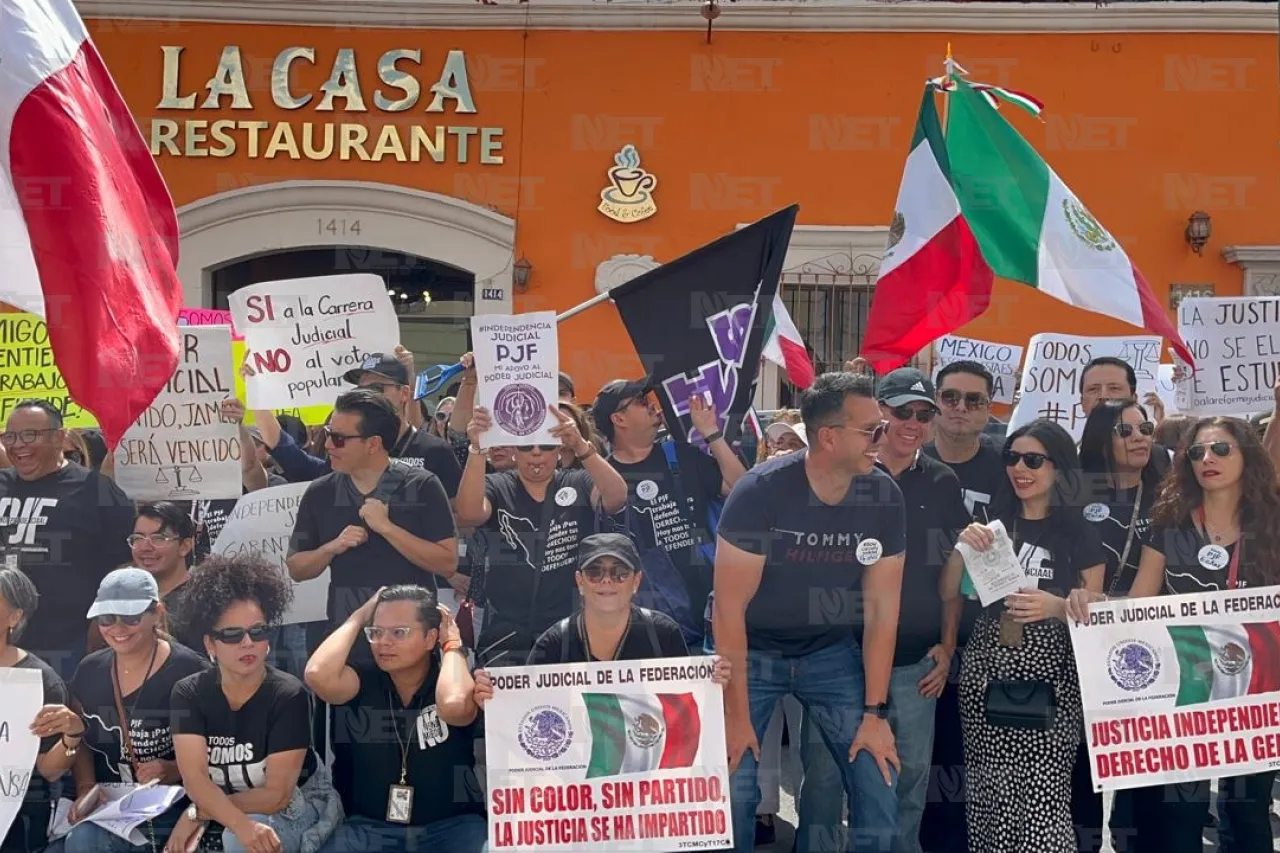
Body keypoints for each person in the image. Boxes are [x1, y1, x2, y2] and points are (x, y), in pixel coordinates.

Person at [1068, 416, 1280, 852]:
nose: (1208, 459)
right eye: (1198, 452)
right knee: (1180, 818)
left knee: (1248, 814)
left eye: (1221, 449)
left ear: (1247, 457)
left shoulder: (1273, 525)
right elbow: (1139, 605)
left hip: (1257, 693)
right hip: (1185, 692)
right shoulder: (1169, 524)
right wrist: (1087, 607)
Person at [715, 372, 904, 853]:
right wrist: (736, 717)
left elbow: (883, 612)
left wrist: (875, 713)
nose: (884, 438)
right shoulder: (761, 491)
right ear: (828, 436)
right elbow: (730, 608)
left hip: (829, 652)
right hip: (751, 652)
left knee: (877, 773)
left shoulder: (883, 496)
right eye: (871, 430)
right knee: (733, 784)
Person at [941, 419, 1104, 853]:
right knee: (989, 799)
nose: (1020, 468)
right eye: (1012, 458)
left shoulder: (1079, 533)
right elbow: (950, 592)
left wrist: (1054, 606)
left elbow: (1100, 611)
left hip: (1054, 679)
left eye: (1033, 459)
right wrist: (961, 549)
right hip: (985, 673)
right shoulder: (991, 529)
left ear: (1058, 468)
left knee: (1042, 800)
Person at [168, 555, 340, 853]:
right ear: (210, 644)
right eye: (232, 635)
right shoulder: (189, 693)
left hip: (295, 806)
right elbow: (195, 779)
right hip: (231, 810)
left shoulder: (289, 694)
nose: (247, 643)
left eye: (257, 631)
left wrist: (199, 812)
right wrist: (223, 815)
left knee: (239, 840)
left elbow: (277, 796)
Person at [307, 586, 486, 853]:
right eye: (376, 632)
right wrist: (358, 617)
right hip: (369, 829)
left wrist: (452, 646)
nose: (383, 642)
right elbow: (317, 674)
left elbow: (453, 707)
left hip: (452, 827)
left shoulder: (451, 678)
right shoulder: (363, 678)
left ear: (430, 638)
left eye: (398, 632)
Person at [49, 568, 208, 853]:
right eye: (107, 619)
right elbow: (81, 735)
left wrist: (173, 769)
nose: (118, 629)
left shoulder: (192, 672)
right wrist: (86, 786)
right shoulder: (90, 670)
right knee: (81, 841)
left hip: (174, 806)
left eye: (132, 618)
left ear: (157, 613)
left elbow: (220, 749)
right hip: (109, 809)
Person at [287, 390, 458, 654]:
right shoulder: (320, 492)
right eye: (328, 433)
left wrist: (387, 528)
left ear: (373, 443)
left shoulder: (422, 485)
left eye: (339, 439)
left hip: (412, 644)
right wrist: (331, 547)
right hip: (348, 639)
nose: (328, 445)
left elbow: (447, 563)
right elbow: (296, 568)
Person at [456, 404, 628, 666]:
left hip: (571, 628)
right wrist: (477, 449)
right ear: (513, 451)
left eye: (547, 445)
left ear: (560, 450)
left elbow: (616, 498)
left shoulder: (577, 481)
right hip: (508, 630)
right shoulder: (498, 485)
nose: (536, 453)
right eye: (526, 446)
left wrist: (582, 446)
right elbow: (468, 514)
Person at [920, 360, 1006, 853]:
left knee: (973, 750)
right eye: (950, 397)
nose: (960, 408)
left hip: (988, 632)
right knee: (928, 753)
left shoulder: (1009, 463)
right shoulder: (910, 459)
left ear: (987, 409)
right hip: (918, 630)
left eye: (974, 400)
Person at [595, 377, 747, 646]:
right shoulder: (604, 478)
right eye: (642, 402)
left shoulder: (679, 454)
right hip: (651, 624)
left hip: (712, 609)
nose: (652, 406)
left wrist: (711, 433)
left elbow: (741, 491)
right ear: (618, 419)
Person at [0, 400, 135, 679]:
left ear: (59, 437)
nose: (18, 445)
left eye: (30, 435)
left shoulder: (95, 490)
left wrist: (103, 621)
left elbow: (125, 563)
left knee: (57, 720)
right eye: (10, 436)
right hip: (4, 643)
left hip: (67, 646)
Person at [255, 352, 463, 496]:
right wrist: (255, 390)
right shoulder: (347, 447)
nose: (368, 396)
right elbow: (292, 458)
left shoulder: (434, 450)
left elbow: (461, 517)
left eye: (378, 388)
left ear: (405, 393)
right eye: (361, 390)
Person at [0, 567, 76, 853]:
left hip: (18, 816)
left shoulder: (40, 681)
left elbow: (50, 770)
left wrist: (72, 737)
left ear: (15, 617)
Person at [123, 503, 203, 652]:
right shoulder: (125, 598)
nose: (145, 547)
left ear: (185, 546)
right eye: (138, 538)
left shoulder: (202, 601)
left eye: (159, 538)